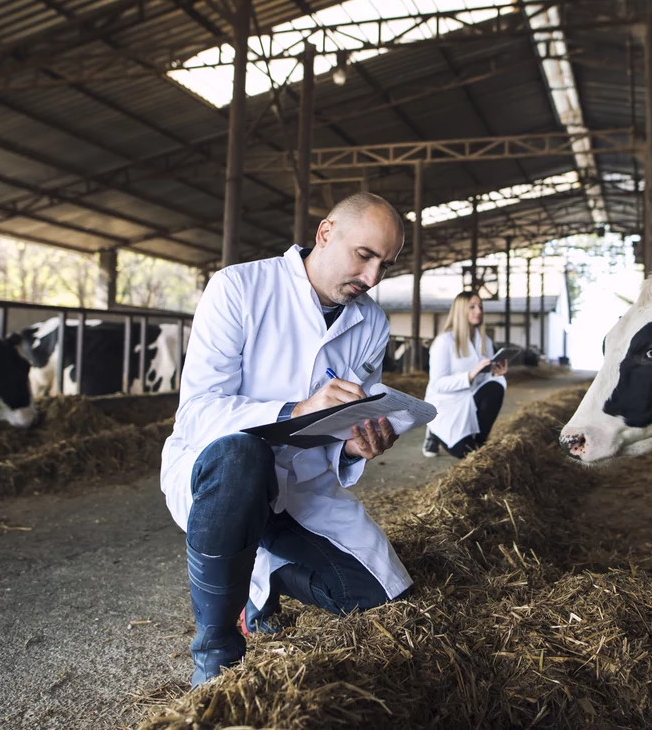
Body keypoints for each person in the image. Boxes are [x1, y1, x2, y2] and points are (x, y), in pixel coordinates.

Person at [160, 192, 413, 688]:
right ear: (325, 233)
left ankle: (263, 575)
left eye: (385, 264)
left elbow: (342, 425)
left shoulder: (372, 323)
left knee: (379, 596)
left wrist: (353, 445)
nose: (372, 279)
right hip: (221, 481)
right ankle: (216, 652)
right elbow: (195, 413)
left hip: (301, 488)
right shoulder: (239, 288)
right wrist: (294, 410)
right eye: (364, 256)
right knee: (242, 454)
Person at [421, 291, 508, 459]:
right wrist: (469, 375)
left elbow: (484, 380)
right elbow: (438, 384)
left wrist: (495, 374)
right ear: (460, 310)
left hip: (470, 399)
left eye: (480, 307)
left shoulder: (485, 342)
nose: (479, 311)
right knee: (463, 453)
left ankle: (481, 441)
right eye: (472, 307)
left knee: (496, 386)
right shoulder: (444, 342)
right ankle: (433, 430)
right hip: (447, 404)